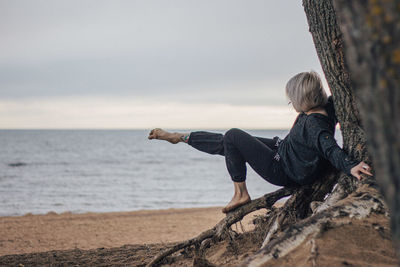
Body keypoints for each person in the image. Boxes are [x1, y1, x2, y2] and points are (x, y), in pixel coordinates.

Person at [148, 71, 373, 213]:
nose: (290, 103)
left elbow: (329, 147)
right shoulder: (328, 106)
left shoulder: (315, 125)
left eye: (291, 99)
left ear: (302, 99)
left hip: (284, 169)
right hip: (285, 151)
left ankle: (241, 193)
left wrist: (351, 165)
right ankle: (182, 137)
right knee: (230, 142)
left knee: (233, 135)